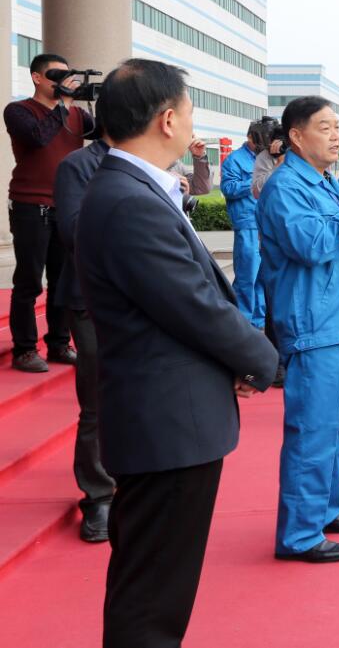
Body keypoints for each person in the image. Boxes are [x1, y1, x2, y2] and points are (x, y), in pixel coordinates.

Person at [76, 59, 277, 646]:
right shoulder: (128, 199)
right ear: (166, 120)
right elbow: (193, 305)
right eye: (189, 112)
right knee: (152, 601)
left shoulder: (133, 188)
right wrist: (261, 359)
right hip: (166, 427)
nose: (192, 123)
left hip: (170, 416)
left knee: (154, 588)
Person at [258, 96, 339, 564]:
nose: (336, 136)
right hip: (316, 326)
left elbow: (334, 236)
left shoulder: (327, 181)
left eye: (337, 127)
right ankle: (299, 533)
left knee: (338, 431)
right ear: (296, 136)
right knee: (312, 432)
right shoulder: (285, 186)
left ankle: (324, 510)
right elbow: (311, 244)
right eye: (325, 127)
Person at [4, 52, 92, 372]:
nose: (63, 81)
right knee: (29, 281)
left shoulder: (78, 115)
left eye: (66, 75)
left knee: (62, 281)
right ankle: (25, 349)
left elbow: (111, 136)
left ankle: (58, 343)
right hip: (30, 206)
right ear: (37, 78)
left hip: (67, 207)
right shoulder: (18, 111)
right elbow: (38, 138)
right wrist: (63, 104)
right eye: (56, 75)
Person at [53, 133, 116, 543]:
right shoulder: (78, 165)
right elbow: (73, 230)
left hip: (141, 294)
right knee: (97, 399)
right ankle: (98, 495)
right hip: (91, 298)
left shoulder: (151, 163)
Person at [220, 122, 266, 329]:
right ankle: (242, 322)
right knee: (247, 275)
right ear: (249, 137)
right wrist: (255, 182)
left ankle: (260, 320)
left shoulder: (267, 158)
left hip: (266, 223)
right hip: (247, 222)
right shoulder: (235, 159)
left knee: (263, 276)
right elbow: (228, 188)